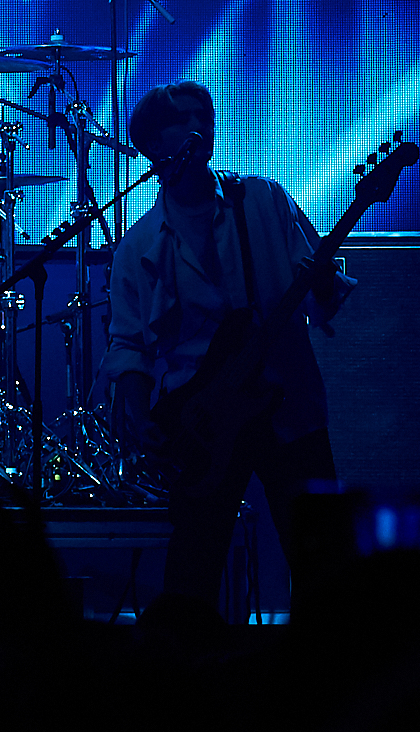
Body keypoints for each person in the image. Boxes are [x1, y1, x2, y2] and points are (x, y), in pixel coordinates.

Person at [100, 81, 353, 610]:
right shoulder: (140, 245)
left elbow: (320, 291)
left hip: (288, 407)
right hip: (204, 422)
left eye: (205, 115)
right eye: (184, 117)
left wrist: (327, 282)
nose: (201, 125)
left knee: (326, 565)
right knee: (193, 570)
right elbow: (129, 344)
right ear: (154, 143)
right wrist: (138, 413)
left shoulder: (261, 200)